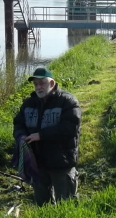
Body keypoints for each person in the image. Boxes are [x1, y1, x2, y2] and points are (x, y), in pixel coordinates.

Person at [13, 67, 82, 205]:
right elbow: (18, 124)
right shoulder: (28, 104)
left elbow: (70, 128)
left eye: (42, 83)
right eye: (36, 84)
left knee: (67, 204)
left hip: (61, 161)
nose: (38, 87)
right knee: (42, 205)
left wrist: (41, 135)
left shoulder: (67, 101)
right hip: (37, 163)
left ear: (51, 83)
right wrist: (21, 137)